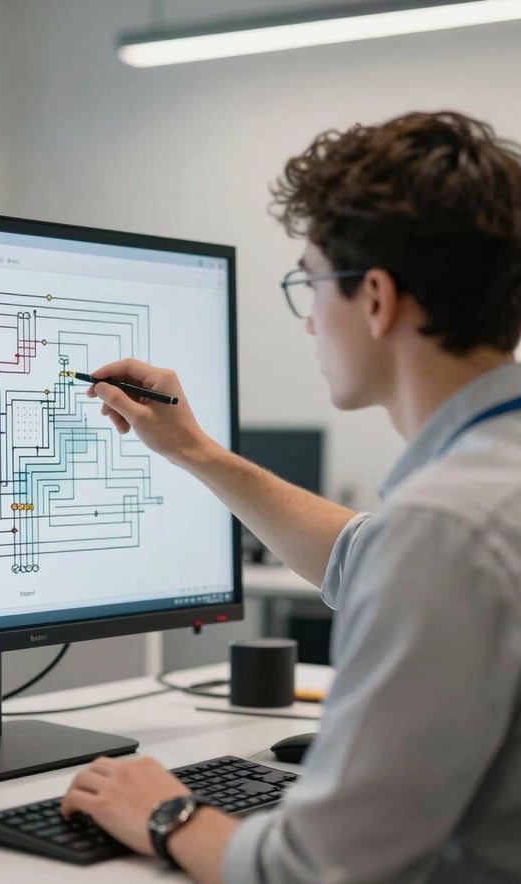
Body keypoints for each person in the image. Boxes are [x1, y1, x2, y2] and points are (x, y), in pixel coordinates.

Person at [59, 110, 521, 883]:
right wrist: (196, 452)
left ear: (375, 298)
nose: (308, 320)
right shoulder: (483, 488)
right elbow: (361, 555)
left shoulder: (445, 527)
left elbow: (314, 871)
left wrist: (165, 812)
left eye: (310, 284)